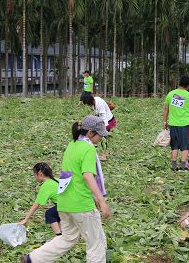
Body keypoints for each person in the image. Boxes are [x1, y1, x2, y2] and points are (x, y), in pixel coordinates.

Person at [22, 116, 111, 263]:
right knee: (97, 243)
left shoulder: (72, 145)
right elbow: (88, 176)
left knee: (68, 238)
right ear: (90, 133)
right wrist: (101, 200)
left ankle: (33, 258)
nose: (101, 138)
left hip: (64, 203)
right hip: (81, 204)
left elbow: (72, 174)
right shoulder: (87, 148)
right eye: (100, 134)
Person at [164, 75, 189, 171]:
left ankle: (173, 165)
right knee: (185, 145)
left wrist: (165, 121)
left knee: (174, 145)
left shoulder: (171, 94)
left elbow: (166, 109)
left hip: (173, 124)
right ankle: (183, 166)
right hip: (185, 125)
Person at [18, 163, 61, 236]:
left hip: (65, 205)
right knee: (56, 214)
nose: (34, 177)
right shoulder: (56, 180)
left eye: (34, 174)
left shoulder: (46, 186)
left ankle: (59, 236)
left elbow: (36, 205)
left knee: (49, 213)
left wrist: (26, 219)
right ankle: (62, 233)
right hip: (73, 202)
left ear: (39, 174)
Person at [82, 95, 116, 160]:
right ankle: (104, 153)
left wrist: (103, 128)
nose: (89, 106)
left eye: (88, 104)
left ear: (91, 102)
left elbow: (103, 116)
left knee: (102, 137)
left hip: (108, 121)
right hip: (102, 121)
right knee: (100, 137)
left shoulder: (99, 104)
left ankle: (105, 155)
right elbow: (97, 113)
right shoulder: (95, 100)